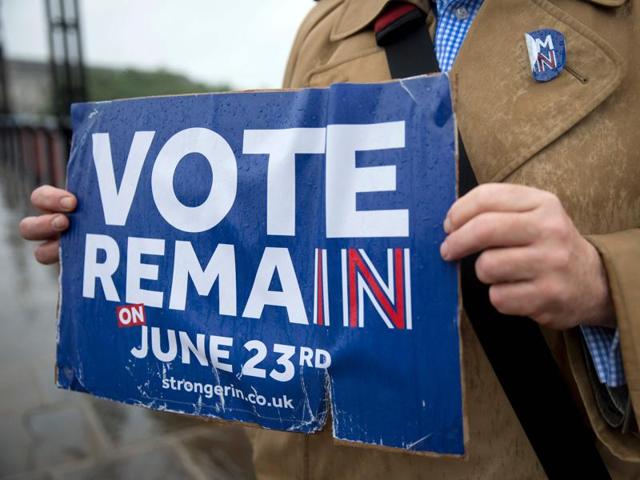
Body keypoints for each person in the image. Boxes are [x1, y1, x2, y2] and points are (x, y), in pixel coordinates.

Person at [19, 0, 640, 477]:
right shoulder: (332, 23)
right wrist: (107, 232)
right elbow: (281, 228)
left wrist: (601, 281)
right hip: (338, 453)